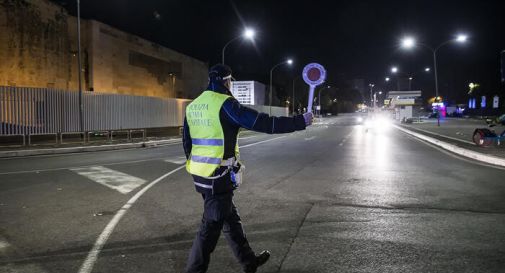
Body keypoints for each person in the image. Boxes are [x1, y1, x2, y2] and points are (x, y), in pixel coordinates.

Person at [183, 64, 313, 273]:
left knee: (230, 220)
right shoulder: (225, 104)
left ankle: (248, 261)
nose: (231, 84)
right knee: (209, 230)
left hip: (201, 176)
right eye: (230, 80)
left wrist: (199, 168)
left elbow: (187, 143)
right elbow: (262, 122)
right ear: (226, 81)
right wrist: (299, 122)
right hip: (218, 176)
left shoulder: (194, 105)